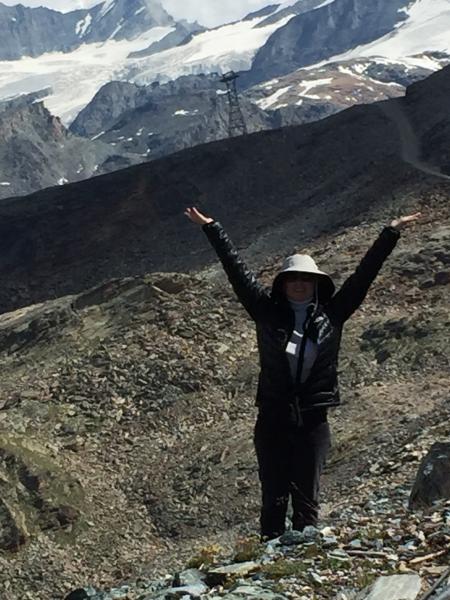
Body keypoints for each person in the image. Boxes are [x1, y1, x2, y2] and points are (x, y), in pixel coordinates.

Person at [185, 206, 422, 540]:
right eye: (293, 279)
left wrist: (390, 233)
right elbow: (236, 271)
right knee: (274, 494)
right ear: (282, 284)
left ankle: (303, 556)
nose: (299, 284)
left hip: (313, 418)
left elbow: (364, 275)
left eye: (305, 279)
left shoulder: (334, 314)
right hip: (273, 417)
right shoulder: (265, 312)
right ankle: (267, 559)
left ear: (316, 284)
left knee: (307, 496)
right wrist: (212, 228)